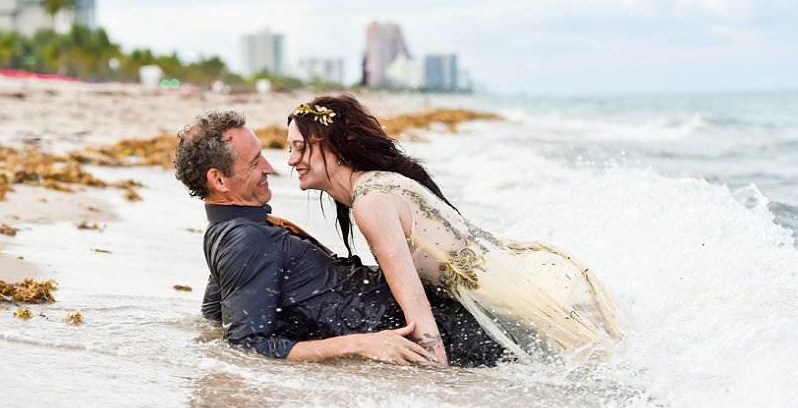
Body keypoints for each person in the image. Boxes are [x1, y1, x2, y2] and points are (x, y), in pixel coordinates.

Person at [284, 94, 627, 363]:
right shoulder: (382, 184)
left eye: (300, 147)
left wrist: (434, 375)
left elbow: (416, 305)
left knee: (615, 382)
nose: (290, 160)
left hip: (532, 294)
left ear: (334, 147)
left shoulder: (370, 202)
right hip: (541, 275)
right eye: (289, 148)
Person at [174, 111, 507, 367]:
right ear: (219, 179)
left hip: (431, 317)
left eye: (262, 154)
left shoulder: (225, 233)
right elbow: (246, 344)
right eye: (254, 161)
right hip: (427, 334)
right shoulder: (243, 240)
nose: (270, 167)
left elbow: (213, 315)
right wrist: (361, 344)